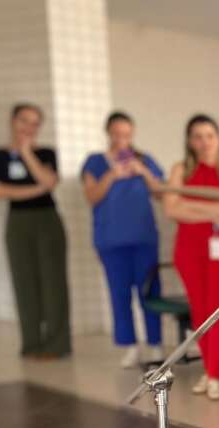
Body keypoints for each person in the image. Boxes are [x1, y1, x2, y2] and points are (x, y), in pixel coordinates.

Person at [162, 114, 219, 401]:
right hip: (189, 249)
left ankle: (215, 375)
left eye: (209, 135)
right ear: (189, 141)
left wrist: (191, 205)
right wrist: (213, 211)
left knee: (217, 309)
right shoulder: (180, 170)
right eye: (197, 136)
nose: (204, 142)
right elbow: (171, 209)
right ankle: (209, 372)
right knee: (199, 311)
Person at [81, 111, 165, 368]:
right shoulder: (95, 162)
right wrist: (112, 175)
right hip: (111, 241)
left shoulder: (145, 160)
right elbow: (91, 196)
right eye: (116, 134)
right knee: (120, 295)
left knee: (149, 292)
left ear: (132, 134)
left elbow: (162, 193)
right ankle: (129, 346)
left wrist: (142, 172)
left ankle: (155, 344)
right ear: (108, 133)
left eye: (126, 134)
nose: (121, 139)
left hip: (143, 239)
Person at [0, 103, 70, 358]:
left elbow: (50, 182)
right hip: (17, 222)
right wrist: (39, 187)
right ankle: (31, 344)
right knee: (23, 282)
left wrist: (27, 153)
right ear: (13, 121)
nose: (29, 127)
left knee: (53, 284)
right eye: (24, 121)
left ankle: (57, 345)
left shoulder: (46, 153)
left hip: (48, 220)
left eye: (35, 123)